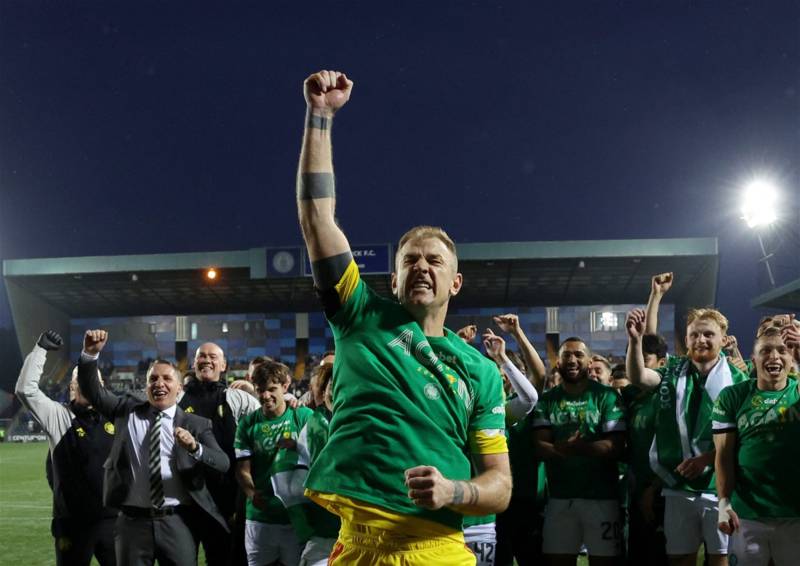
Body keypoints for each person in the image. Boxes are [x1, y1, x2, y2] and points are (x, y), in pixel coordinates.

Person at [295, 69, 510, 565]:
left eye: (435, 261)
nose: (421, 267)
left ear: (455, 283)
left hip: (438, 549)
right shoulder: (358, 314)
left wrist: (454, 492)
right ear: (391, 281)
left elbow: (499, 486)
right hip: (357, 548)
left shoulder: (480, 372)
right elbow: (316, 219)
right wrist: (320, 117)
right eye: (409, 260)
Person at [78, 329, 230, 566]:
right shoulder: (126, 410)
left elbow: (223, 463)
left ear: (179, 388)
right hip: (132, 523)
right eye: (153, 379)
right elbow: (92, 392)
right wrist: (89, 354)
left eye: (167, 379)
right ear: (146, 385)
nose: (159, 383)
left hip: (178, 522)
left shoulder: (196, 424)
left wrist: (195, 447)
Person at [626, 307, 748, 566]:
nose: (700, 340)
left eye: (708, 334)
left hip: (720, 488)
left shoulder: (739, 380)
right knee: (680, 558)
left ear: (723, 339)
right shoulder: (672, 370)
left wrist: (706, 459)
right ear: (686, 339)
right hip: (678, 486)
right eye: (694, 334)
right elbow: (638, 376)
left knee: (720, 559)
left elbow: (744, 438)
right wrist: (635, 341)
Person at [15, 330, 117, 566]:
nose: (89, 384)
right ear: (72, 387)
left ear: (101, 385)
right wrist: (40, 349)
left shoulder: (115, 417)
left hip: (113, 521)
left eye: (94, 380)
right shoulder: (59, 417)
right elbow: (25, 390)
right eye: (82, 379)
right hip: (73, 524)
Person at [532, 337, 626, 565]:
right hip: (560, 498)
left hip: (602, 498)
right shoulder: (547, 401)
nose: (572, 360)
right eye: (567, 355)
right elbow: (538, 445)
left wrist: (578, 448)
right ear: (558, 362)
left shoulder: (607, 396)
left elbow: (616, 445)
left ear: (589, 360)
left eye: (578, 355)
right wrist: (561, 449)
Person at [713, 326, 800, 566]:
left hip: (795, 514)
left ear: (791, 357)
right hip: (747, 514)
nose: (774, 356)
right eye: (766, 351)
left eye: (782, 350)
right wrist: (723, 503)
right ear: (753, 359)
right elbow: (723, 455)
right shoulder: (732, 396)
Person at [179, 342, 260, 565]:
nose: (206, 359)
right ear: (194, 363)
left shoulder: (238, 399)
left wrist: (290, 400)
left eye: (213, 356)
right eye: (201, 356)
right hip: (187, 501)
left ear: (223, 365)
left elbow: (268, 419)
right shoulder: (177, 400)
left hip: (226, 503)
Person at [463, 328, 539, 566]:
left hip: (481, 519)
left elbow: (529, 398)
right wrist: (459, 344)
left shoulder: (499, 412)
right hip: (447, 514)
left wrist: (502, 359)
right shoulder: (450, 408)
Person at [234, 360, 313, 566]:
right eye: (260, 390)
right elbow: (242, 469)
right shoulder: (247, 424)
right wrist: (252, 493)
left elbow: (321, 457)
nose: (265, 396)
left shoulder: (303, 416)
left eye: (272, 389)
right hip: (260, 519)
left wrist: (297, 445)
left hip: (296, 517)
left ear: (285, 386)